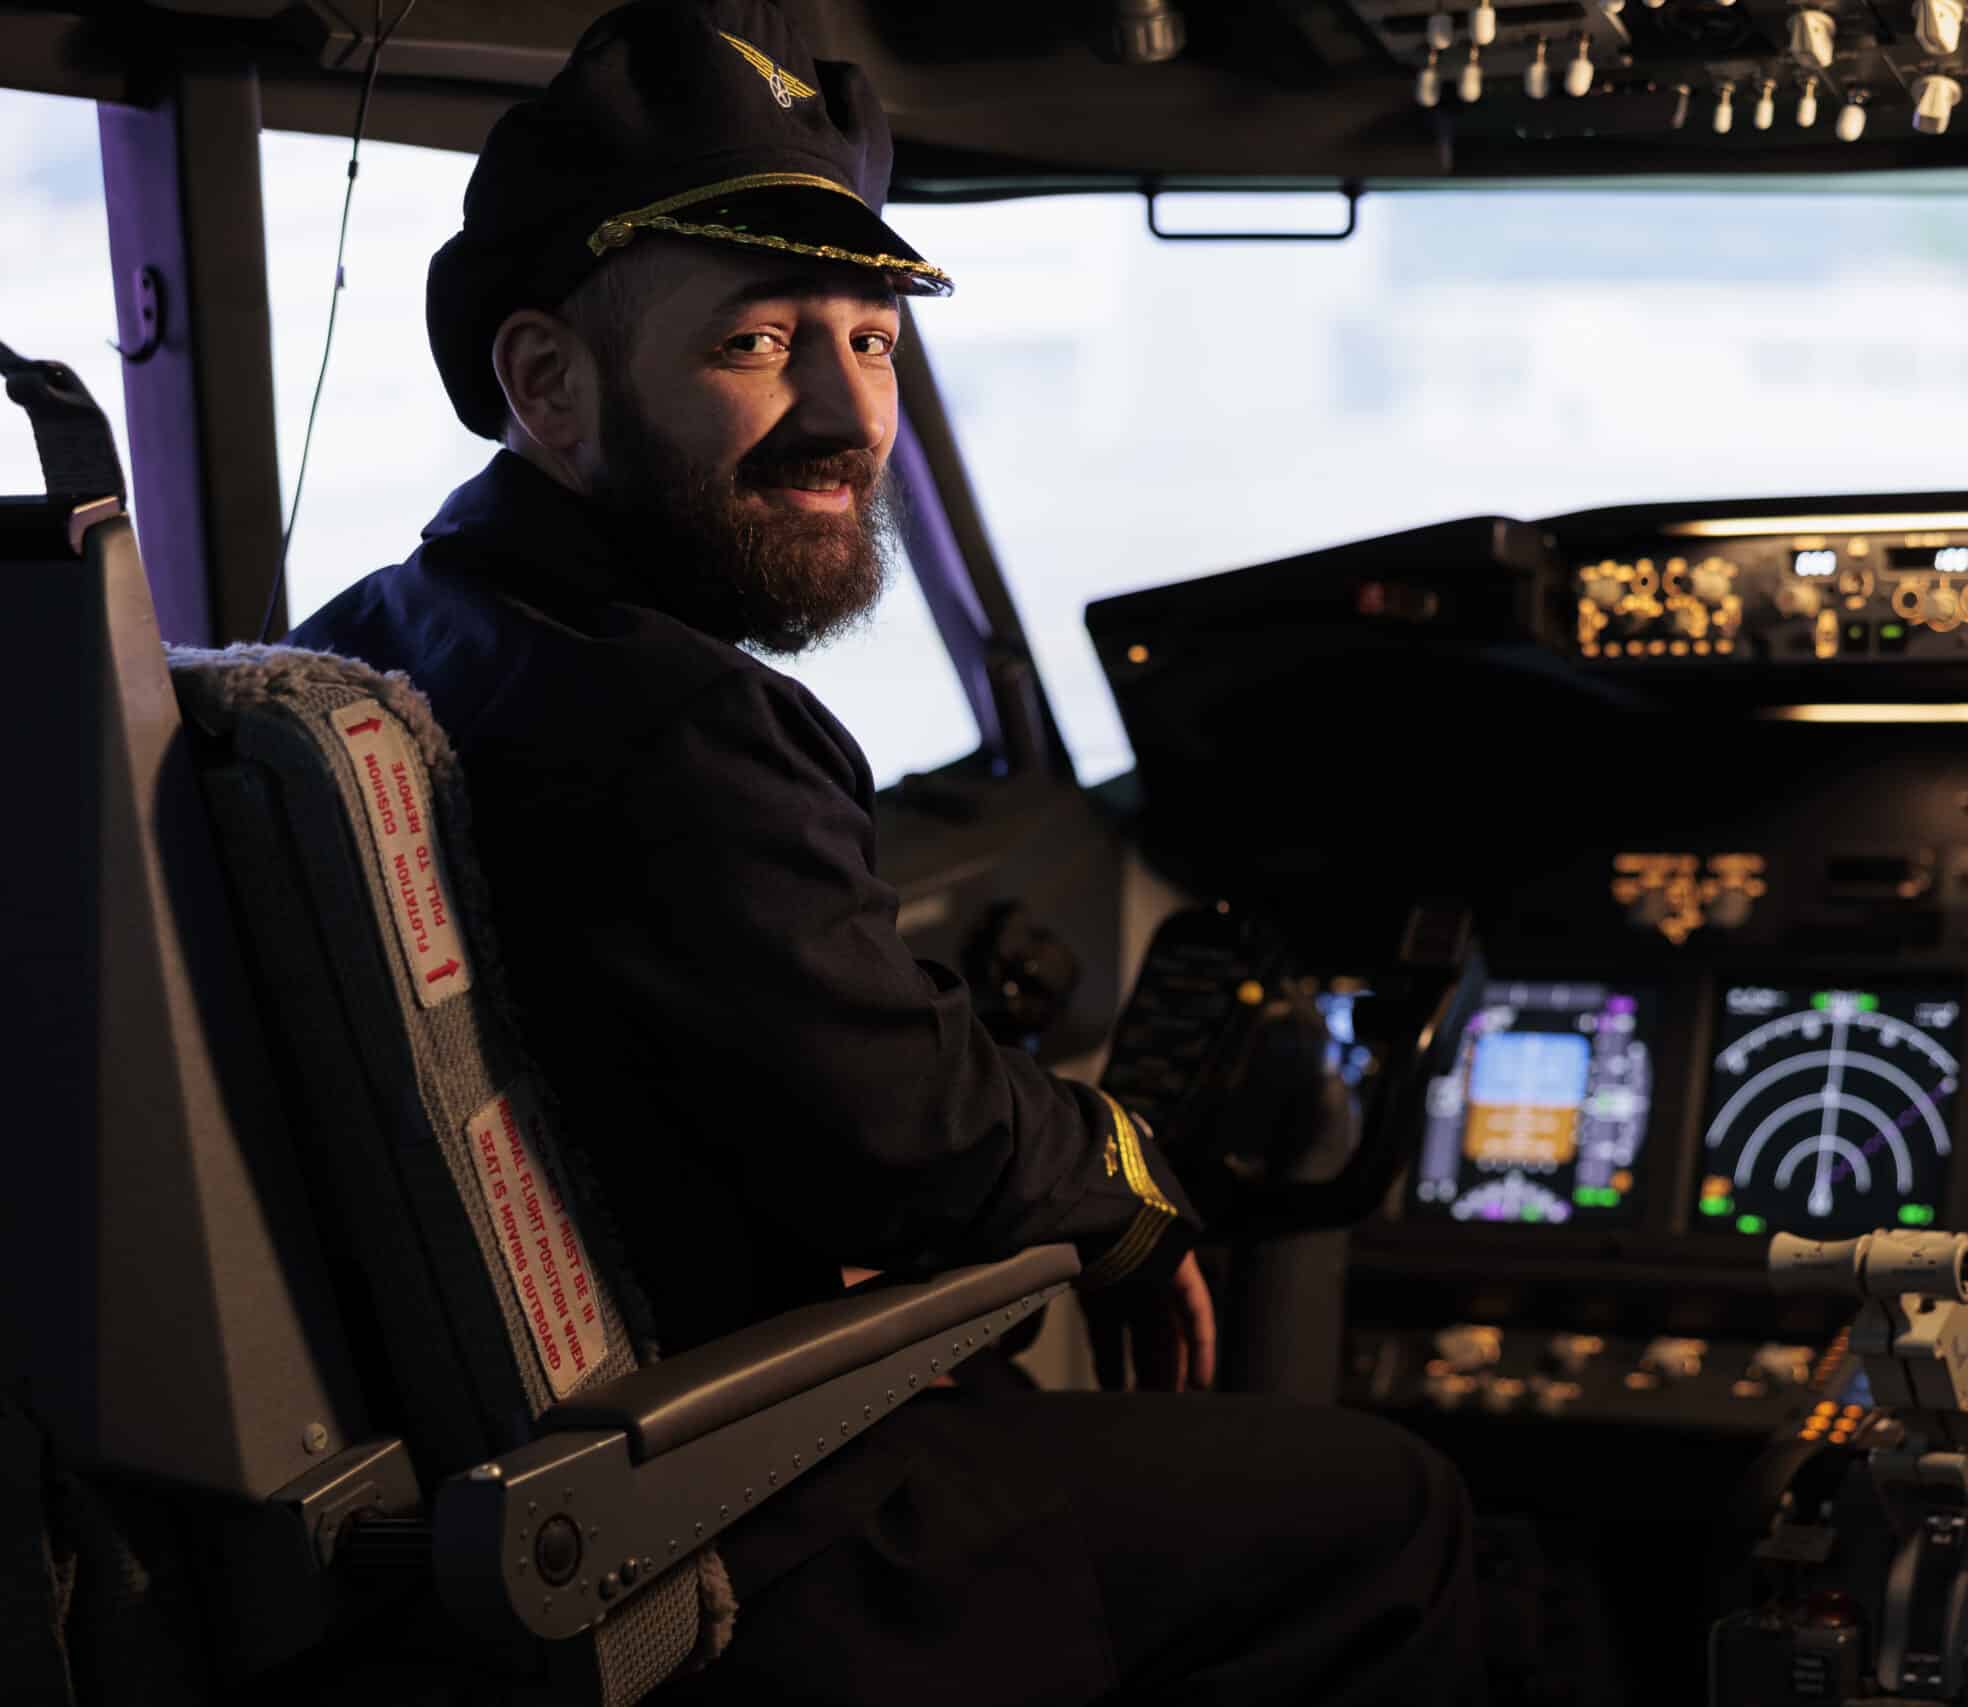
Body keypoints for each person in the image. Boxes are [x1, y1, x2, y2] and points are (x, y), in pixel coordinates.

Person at [287, 2, 1482, 1701]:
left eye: (876, 340)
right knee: (1401, 1511)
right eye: (759, 341)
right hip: (728, 1537)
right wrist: (1125, 1190)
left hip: (518, 1498)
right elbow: (916, 1139)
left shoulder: (378, 638)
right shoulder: (672, 724)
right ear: (547, 383)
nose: (850, 413)